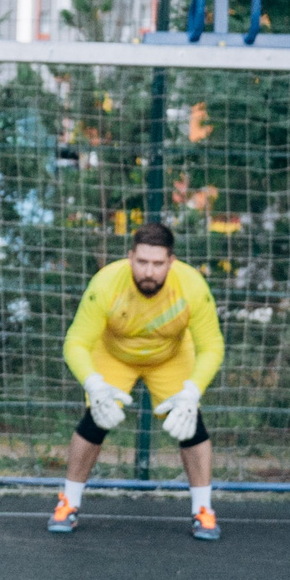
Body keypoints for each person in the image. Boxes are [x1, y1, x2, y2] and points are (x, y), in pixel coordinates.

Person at [46, 221, 225, 541]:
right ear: (130, 257)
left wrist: (192, 390)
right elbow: (75, 342)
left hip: (170, 356)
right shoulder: (105, 284)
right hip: (114, 354)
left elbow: (212, 346)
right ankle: (68, 503)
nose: (149, 271)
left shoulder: (193, 286)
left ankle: (203, 510)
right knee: (94, 421)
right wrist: (93, 384)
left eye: (158, 264)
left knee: (191, 424)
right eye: (142, 262)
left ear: (172, 261)